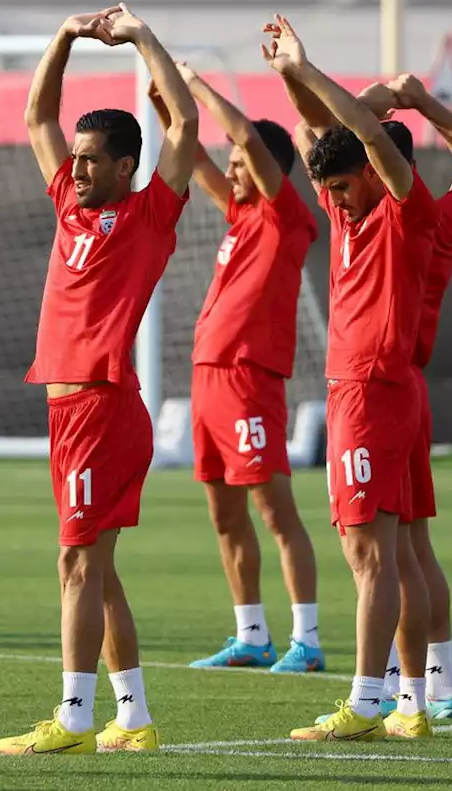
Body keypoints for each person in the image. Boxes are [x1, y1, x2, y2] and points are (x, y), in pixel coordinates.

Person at [0, 4, 198, 755]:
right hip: (70, 412)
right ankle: (133, 715)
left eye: (89, 159)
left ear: (123, 167)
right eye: (73, 156)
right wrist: (63, 37)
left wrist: (145, 37)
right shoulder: (68, 207)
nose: (74, 167)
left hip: (102, 408)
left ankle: (74, 715)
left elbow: (183, 127)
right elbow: (35, 114)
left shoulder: (147, 215)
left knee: (77, 563)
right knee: (98, 570)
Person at [267, 15, 438, 742]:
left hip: (369, 390)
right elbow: (327, 135)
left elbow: (363, 137)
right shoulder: (351, 213)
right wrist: (289, 75)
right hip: (375, 389)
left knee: (369, 554)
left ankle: (367, 701)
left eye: (342, 187)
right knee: (395, 554)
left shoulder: (401, 207)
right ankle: (411, 701)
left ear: (376, 172)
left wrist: (310, 71)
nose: (334, 198)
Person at [148, 63, 323, 673]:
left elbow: (245, 137)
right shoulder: (242, 214)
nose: (233, 169)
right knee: (224, 515)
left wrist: (193, 81)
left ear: (272, 170)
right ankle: (251, 635)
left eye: (244, 163)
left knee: (276, 512)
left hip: (250, 379)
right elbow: (196, 155)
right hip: (208, 379)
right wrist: (172, 103)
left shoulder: (286, 216)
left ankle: (308, 639)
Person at [356, 75, 452, 721]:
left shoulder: (400, 216)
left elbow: (346, 129)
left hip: (382, 384)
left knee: (382, 552)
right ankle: (441, 683)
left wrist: (381, 98)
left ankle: (396, 683)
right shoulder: (444, 216)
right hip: (411, 384)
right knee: (414, 546)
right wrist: (423, 101)